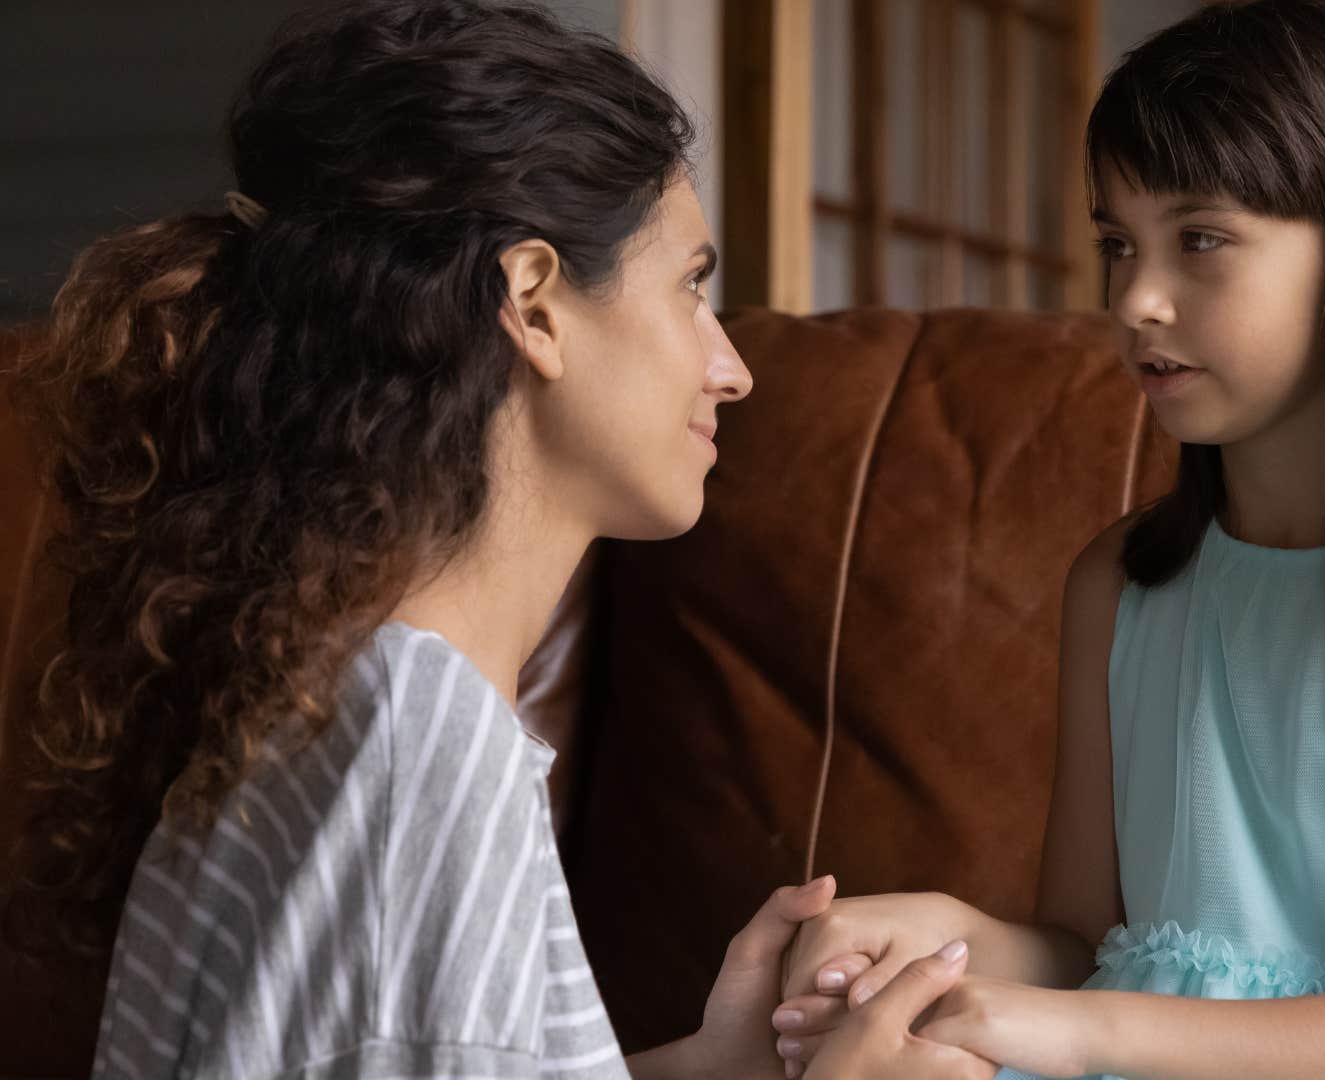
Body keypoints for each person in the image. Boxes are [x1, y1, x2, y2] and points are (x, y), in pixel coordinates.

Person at [6, 2, 991, 1077]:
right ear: (534, 305)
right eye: (690, 286)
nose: (732, 368)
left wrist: (721, 1067)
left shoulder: (328, 700)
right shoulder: (424, 756)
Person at [771, 3, 1325, 1077]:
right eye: (1116, 243)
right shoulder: (1122, 585)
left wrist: (1072, 1028)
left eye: (1199, 239)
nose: (1135, 299)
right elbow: (1081, 946)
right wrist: (943, 945)